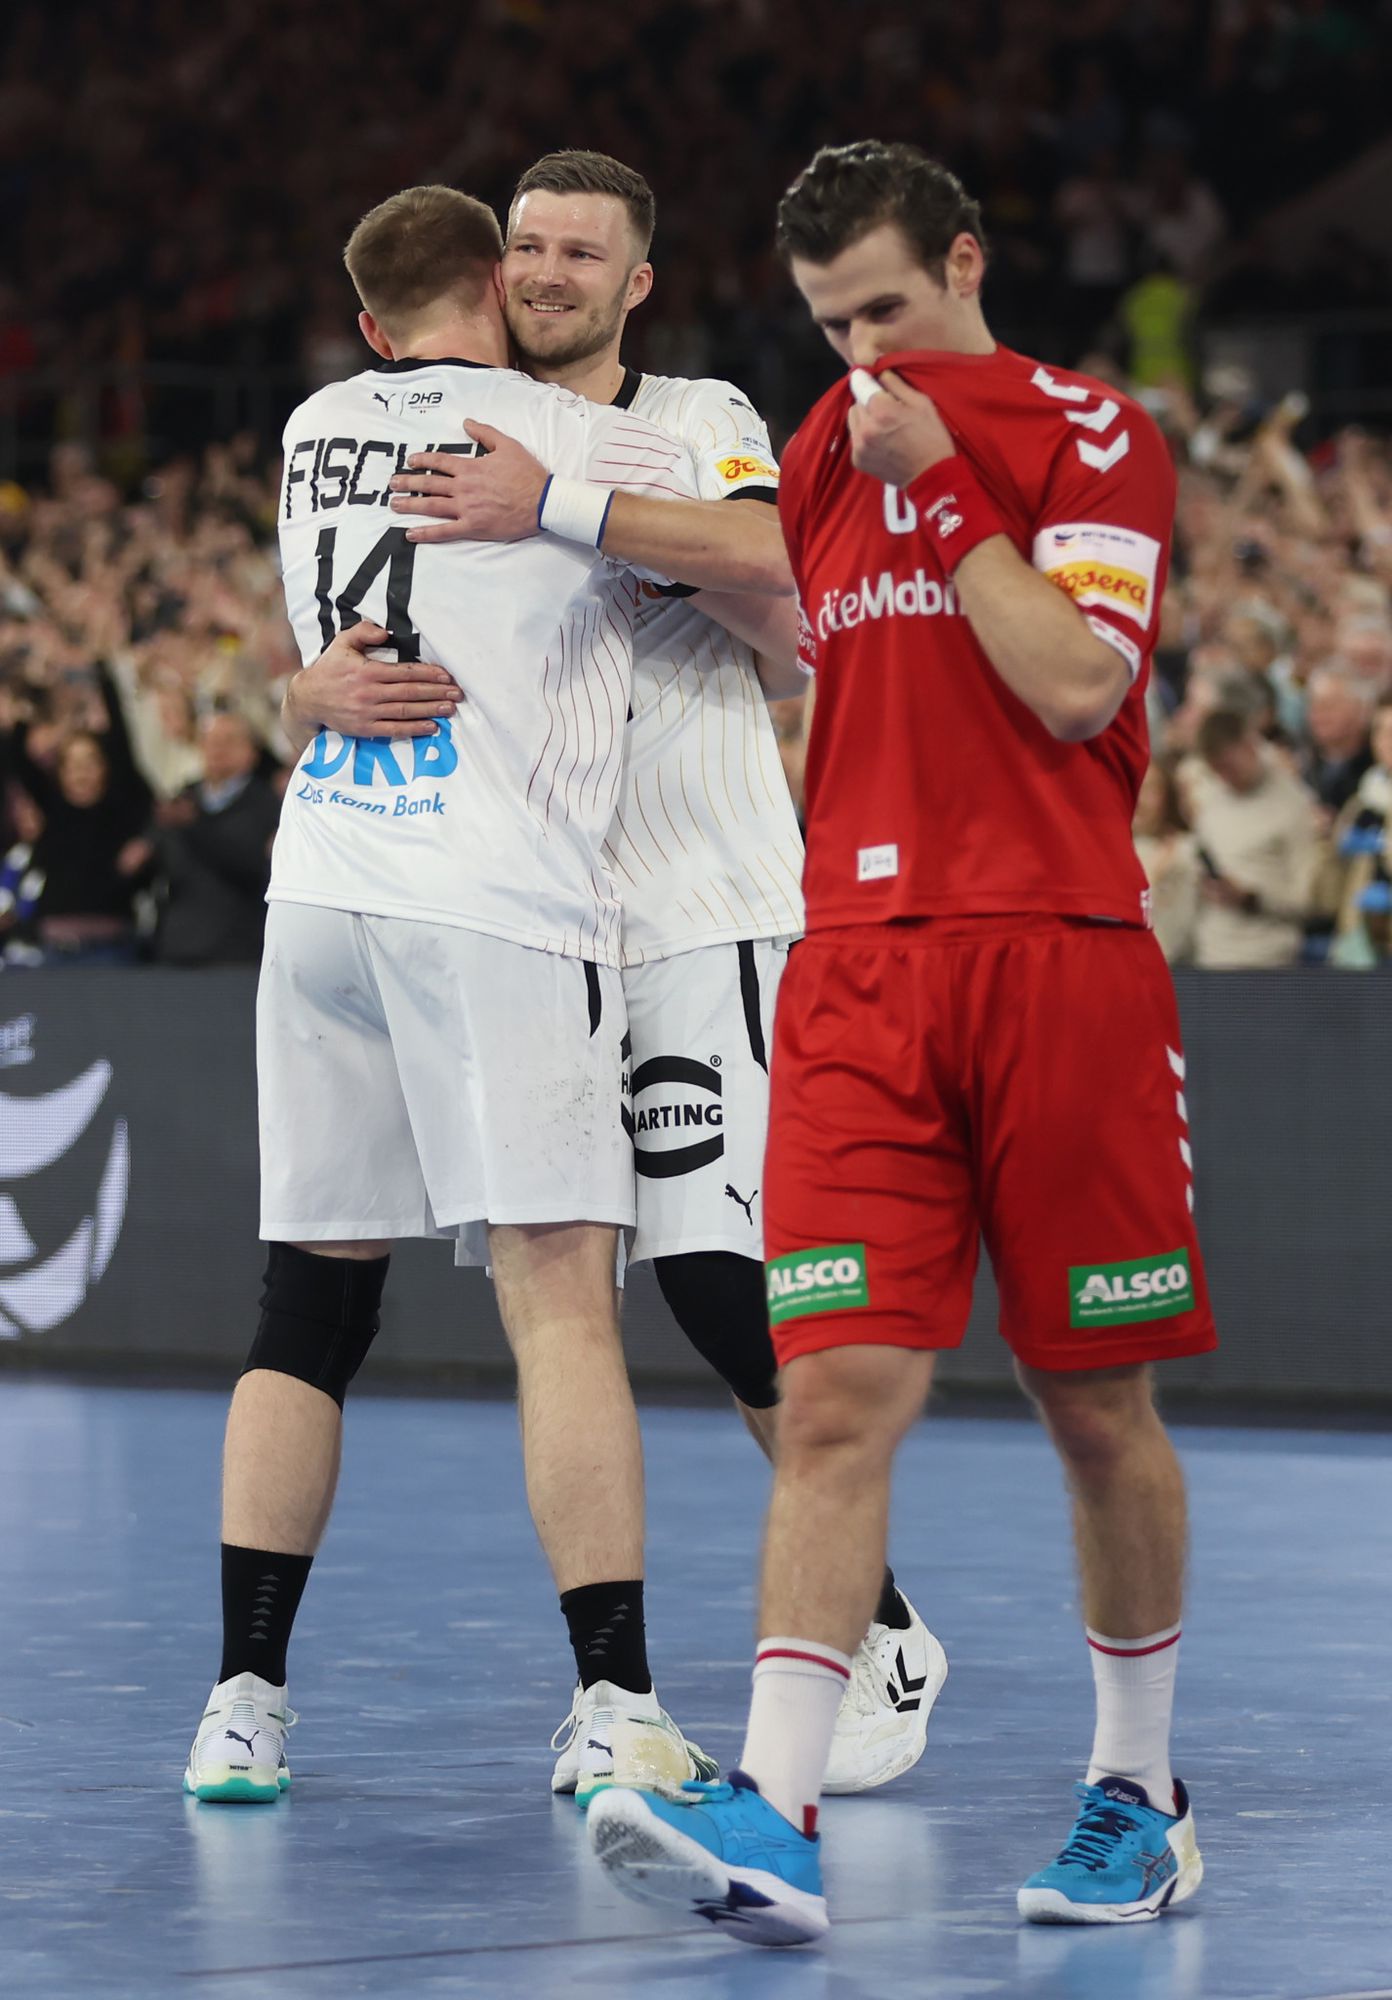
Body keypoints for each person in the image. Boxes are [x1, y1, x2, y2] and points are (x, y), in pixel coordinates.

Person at [589, 140, 1216, 1943]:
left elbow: (1074, 681)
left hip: (1058, 958)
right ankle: (774, 1808)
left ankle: (1137, 1795)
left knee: (1092, 1405)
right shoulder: (818, 443)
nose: (864, 351)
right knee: (834, 1395)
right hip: (858, 970)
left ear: (963, 258)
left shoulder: (1093, 437)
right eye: (830, 323)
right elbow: (821, 661)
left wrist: (940, 486)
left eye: (888, 307)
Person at [309, 150, 946, 1797]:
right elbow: (330, 599)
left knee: (717, 1275)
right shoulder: (441, 428)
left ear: (635, 283)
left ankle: (874, 1621)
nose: (546, 271)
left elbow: (778, 570)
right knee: (577, 1290)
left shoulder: (694, 411)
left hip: (700, 897)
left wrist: (568, 510)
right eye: (525, 243)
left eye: (582, 252)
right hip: (530, 917)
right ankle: (620, 1687)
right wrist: (305, 685)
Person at [183, 184, 725, 1808]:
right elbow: (754, 569)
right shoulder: (558, 427)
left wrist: (290, 692)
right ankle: (618, 1704)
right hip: (491, 897)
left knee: (307, 1308)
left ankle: (240, 1703)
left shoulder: (308, 426)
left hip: (327, 887)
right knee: (559, 1295)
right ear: (503, 282)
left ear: (365, 326)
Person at [1190, 709, 1322, 969]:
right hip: (1210, 952)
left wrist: (1253, 898)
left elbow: (1309, 900)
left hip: (1268, 958)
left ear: (1249, 745)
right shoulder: (1209, 797)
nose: (1224, 778)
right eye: (1216, 770)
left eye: (1229, 766)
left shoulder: (1294, 805)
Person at [153, 712, 280, 966]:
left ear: (252, 751)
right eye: (210, 741)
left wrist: (195, 827)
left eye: (229, 741)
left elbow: (254, 867)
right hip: (178, 949)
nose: (217, 749)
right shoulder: (181, 800)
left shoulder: (268, 805)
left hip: (237, 952)